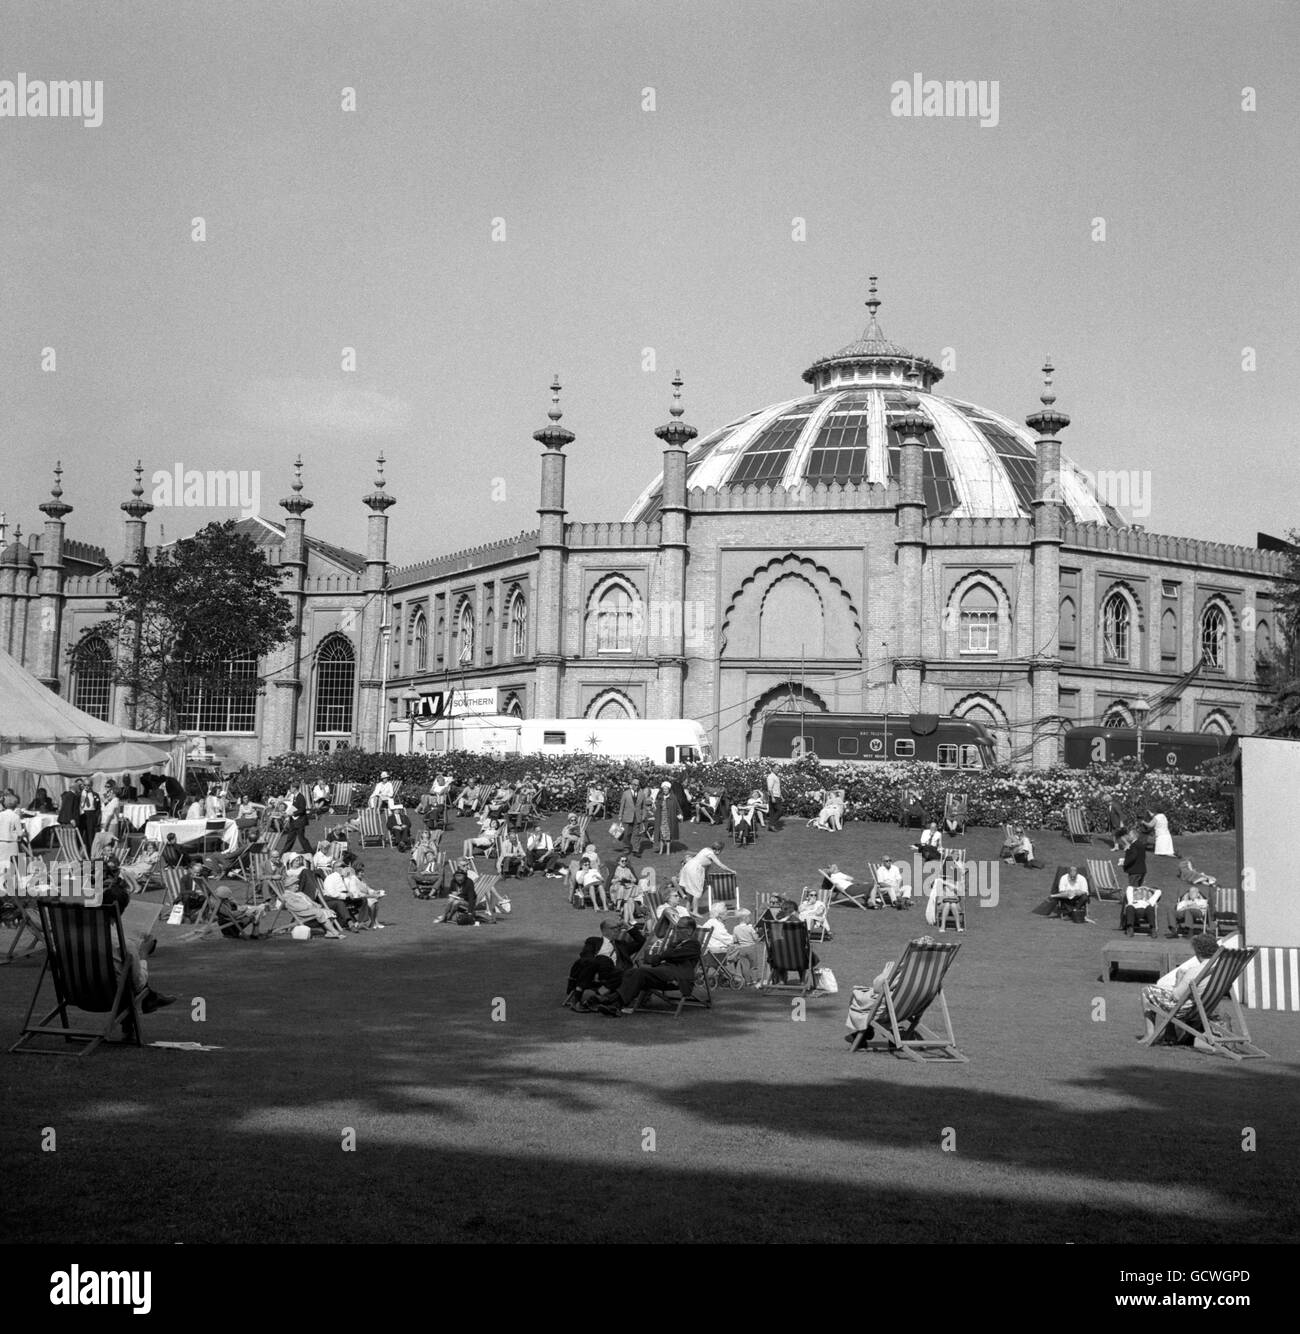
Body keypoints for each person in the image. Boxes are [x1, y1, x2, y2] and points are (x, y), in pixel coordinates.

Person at [596, 915, 704, 1015]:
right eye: (676, 927)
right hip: (664, 973)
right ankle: (615, 1005)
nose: (676, 930)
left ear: (689, 930)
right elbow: (658, 959)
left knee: (640, 971)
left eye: (680, 928)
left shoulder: (693, 944)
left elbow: (674, 955)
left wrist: (662, 956)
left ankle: (610, 999)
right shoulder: (676, 944)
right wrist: (662, 956)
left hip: (676, 977)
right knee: (633, 972)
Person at [1138, 933, 1219, 1042]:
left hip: (1188, 1010)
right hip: (1206, 1007)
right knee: (1163, 991)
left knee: (1147, 991)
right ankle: (1170, 1035)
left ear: (1198, 951)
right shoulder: (1218, 969)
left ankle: (1150, 1034)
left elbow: (1176, 996)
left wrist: (1179, 978)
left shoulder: (1195, 971)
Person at [282, 857, 343, 938]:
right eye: (295, 884)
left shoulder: (300, 893)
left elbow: (310, 901)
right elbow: (295, 906)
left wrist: (317, 905)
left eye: (297, 883)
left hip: (310, 910)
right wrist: (309, 907)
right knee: (319, 913)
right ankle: (334, 932)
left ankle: (329, 932)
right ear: (289, 886)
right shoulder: (288, 896)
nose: (298, 885)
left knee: (328, 911)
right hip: (303, 912)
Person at [678, 841, 733, 912]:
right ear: (718, 850)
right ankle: (695, 911)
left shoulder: (706, 849)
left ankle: (687, 910)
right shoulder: (711, 854)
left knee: (691, 890)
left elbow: (706, 869)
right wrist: (731, 870)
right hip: (694, 869)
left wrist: (706, 879)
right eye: (720, 850)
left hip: (689, 866)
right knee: (696, 891)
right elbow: (720, 865)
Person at [728, 908, 764, 986]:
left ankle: (747, 981)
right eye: (749, 917)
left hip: (741, 949)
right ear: (745, 918)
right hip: (751, 948)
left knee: (745, 966)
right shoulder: (749, 928)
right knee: (754, 965)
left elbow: (735, 939)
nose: (750, 919)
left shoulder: (735, 928)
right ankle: (754, 980)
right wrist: (759, 934)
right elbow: (755, 938)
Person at [284, 785, 313, 855]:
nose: (290, 789)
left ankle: (310, 852)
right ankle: (284, 853)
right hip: (294, 821)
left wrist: (292, 813)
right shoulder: (295, 796)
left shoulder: (301, 797)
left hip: (300, 821)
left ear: (295, 788)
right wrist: (287, 814)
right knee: (290, 838)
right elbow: (294, 807)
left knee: (301, 838)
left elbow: (302, 809)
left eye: (291, 787)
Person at [653, 781, 680, 855]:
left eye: (666, 789)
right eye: (664, 789)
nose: (665, 790)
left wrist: (680, 814)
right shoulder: (660, 797)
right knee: (661, 835)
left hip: (669, 819)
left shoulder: (673, 797)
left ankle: (668, 850)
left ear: (669, 789)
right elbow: (657, 806)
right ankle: (661, 850)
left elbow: (677, 807)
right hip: (661, 818)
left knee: (668, 835)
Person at [0, 791, 26, 866]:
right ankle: (13, 876)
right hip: (12, 843)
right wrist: (25, 833)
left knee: (1, 863)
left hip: (1, 842)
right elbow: (20, 833)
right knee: (13, 864)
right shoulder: (15, 816)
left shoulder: (0, 815)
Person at [765, 767, 782, 831]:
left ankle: (771, 827)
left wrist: (781, 796)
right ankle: (771, 824)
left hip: (777, 796)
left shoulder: (775, 776)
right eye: (776, 768)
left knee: (772, 812)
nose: (778, 769)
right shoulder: (771, 777)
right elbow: (770, 788)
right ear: (772, 769)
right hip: (774, 796)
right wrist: (772, 797)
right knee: (780, 811)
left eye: (778, 769)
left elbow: (777, 788)